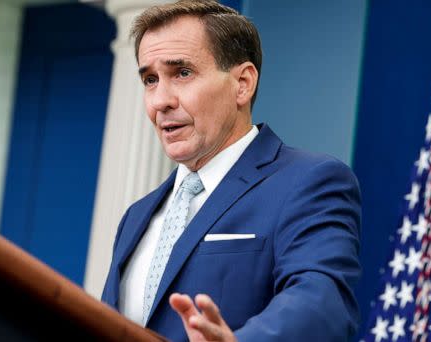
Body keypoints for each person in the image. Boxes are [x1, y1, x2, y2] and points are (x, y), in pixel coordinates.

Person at [101, 1, 362, 341]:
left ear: (243, 83)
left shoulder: (310, 182)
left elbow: (321, 302)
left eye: (182, 73)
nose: (160, 100)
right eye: (150, 79)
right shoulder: (135, 217)